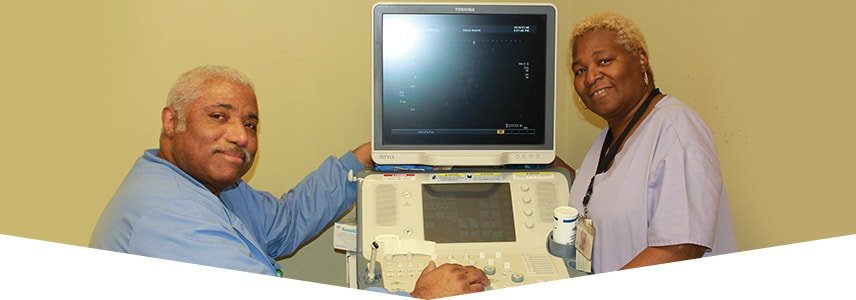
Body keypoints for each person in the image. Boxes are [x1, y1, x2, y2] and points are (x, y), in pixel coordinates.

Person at [90, 65, 489, 298]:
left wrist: (362, 158)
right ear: (171, 120)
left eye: (250, 124)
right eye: (218, 116)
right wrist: (420, 297)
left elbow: (284, 222)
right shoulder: (169, 216)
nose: (241, 136)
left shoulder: (205, 185)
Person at [555, 12, 737, 273]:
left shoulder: (676, 131)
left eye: (604, 61)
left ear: (641, 59)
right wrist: (541, 159)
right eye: (580, 70)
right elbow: (599, 199)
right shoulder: (609, 138)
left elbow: (678, 249)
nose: (591, 76)